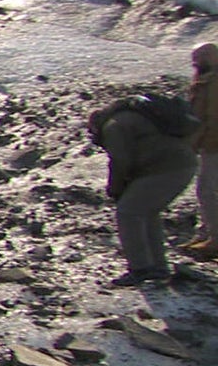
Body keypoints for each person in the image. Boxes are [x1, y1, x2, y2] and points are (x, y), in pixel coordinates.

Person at [88, 99, 196, 286]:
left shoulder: (113, 127)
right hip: (184, 164)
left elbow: (120, 161)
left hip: (164, 170)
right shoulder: (132, 116)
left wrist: (115, 189)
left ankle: (141, 268)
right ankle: (158, 267)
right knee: (148, 213)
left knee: (128, 213)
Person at [184, 42, 218, 257]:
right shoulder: (204, 80)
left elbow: (212, 117)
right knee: (205, 190)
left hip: (213, 144)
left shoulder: (213, 82)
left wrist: (199, 142)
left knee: (207, 191)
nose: (196, 61)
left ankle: (214, 238)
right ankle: (205, 233)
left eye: (202, 56)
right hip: (208, 143)